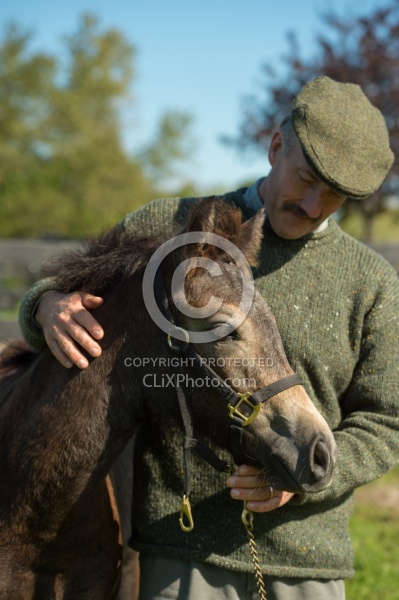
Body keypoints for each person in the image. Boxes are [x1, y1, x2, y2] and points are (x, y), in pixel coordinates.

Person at [19, 76, 399, 600]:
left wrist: (310, 480)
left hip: (306, 560)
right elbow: (64, 287)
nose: (313, 204)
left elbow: (388, 419)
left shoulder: (371, 282)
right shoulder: (171, 224)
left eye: (333, 196)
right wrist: (44, 305)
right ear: (275, 147)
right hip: (181, 555)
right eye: (306, 179)